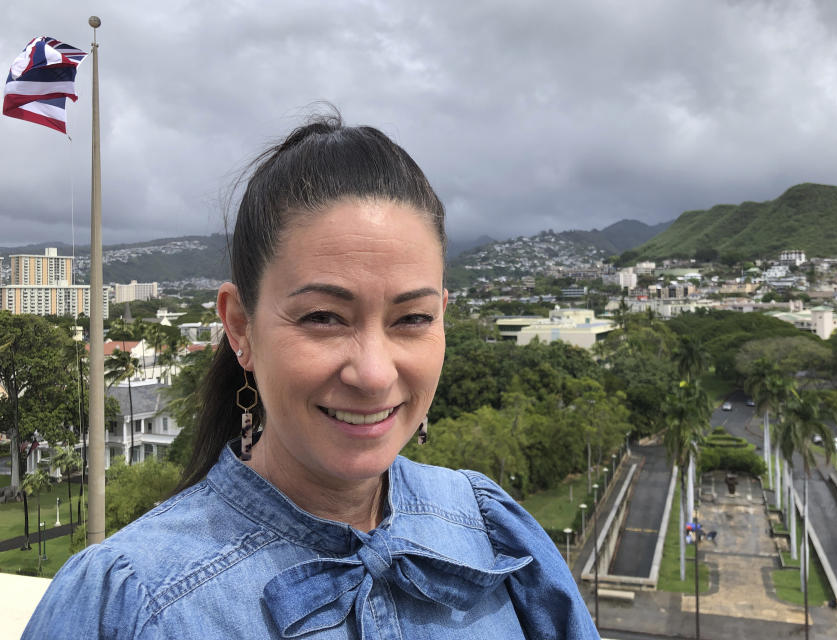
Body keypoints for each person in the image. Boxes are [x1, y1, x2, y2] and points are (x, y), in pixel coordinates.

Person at [23, 113, 599, 639]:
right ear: (240, 326)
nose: (373, 373)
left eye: (413, 318)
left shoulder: (489, 527)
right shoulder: (131, 603)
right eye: (323, 317)